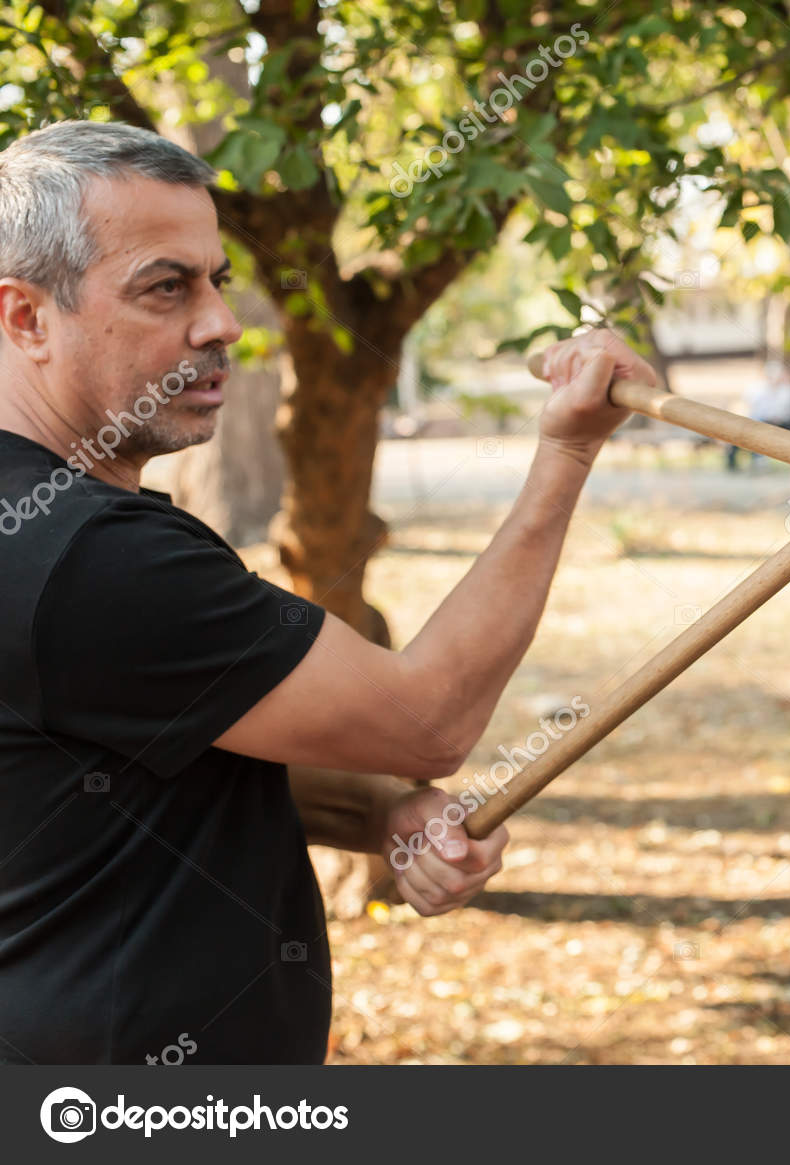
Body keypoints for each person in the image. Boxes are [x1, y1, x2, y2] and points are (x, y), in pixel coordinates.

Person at [0, 121, 644, 1063]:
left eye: (217, 279)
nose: (221, 322)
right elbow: (427, 720)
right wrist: (567, 451)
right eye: (165, 286)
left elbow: (122, 755)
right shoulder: (90, 557)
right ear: (25, 317)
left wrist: (376, 813)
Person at [728, 360, 790, 470]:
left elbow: (782, 413)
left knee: (760, 429)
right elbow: (748, 405)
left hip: (781, 423)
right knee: (742, 430)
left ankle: (758, 459)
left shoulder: (788, 390)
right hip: (757, 421)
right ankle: (733, 460)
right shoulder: (757, 388)